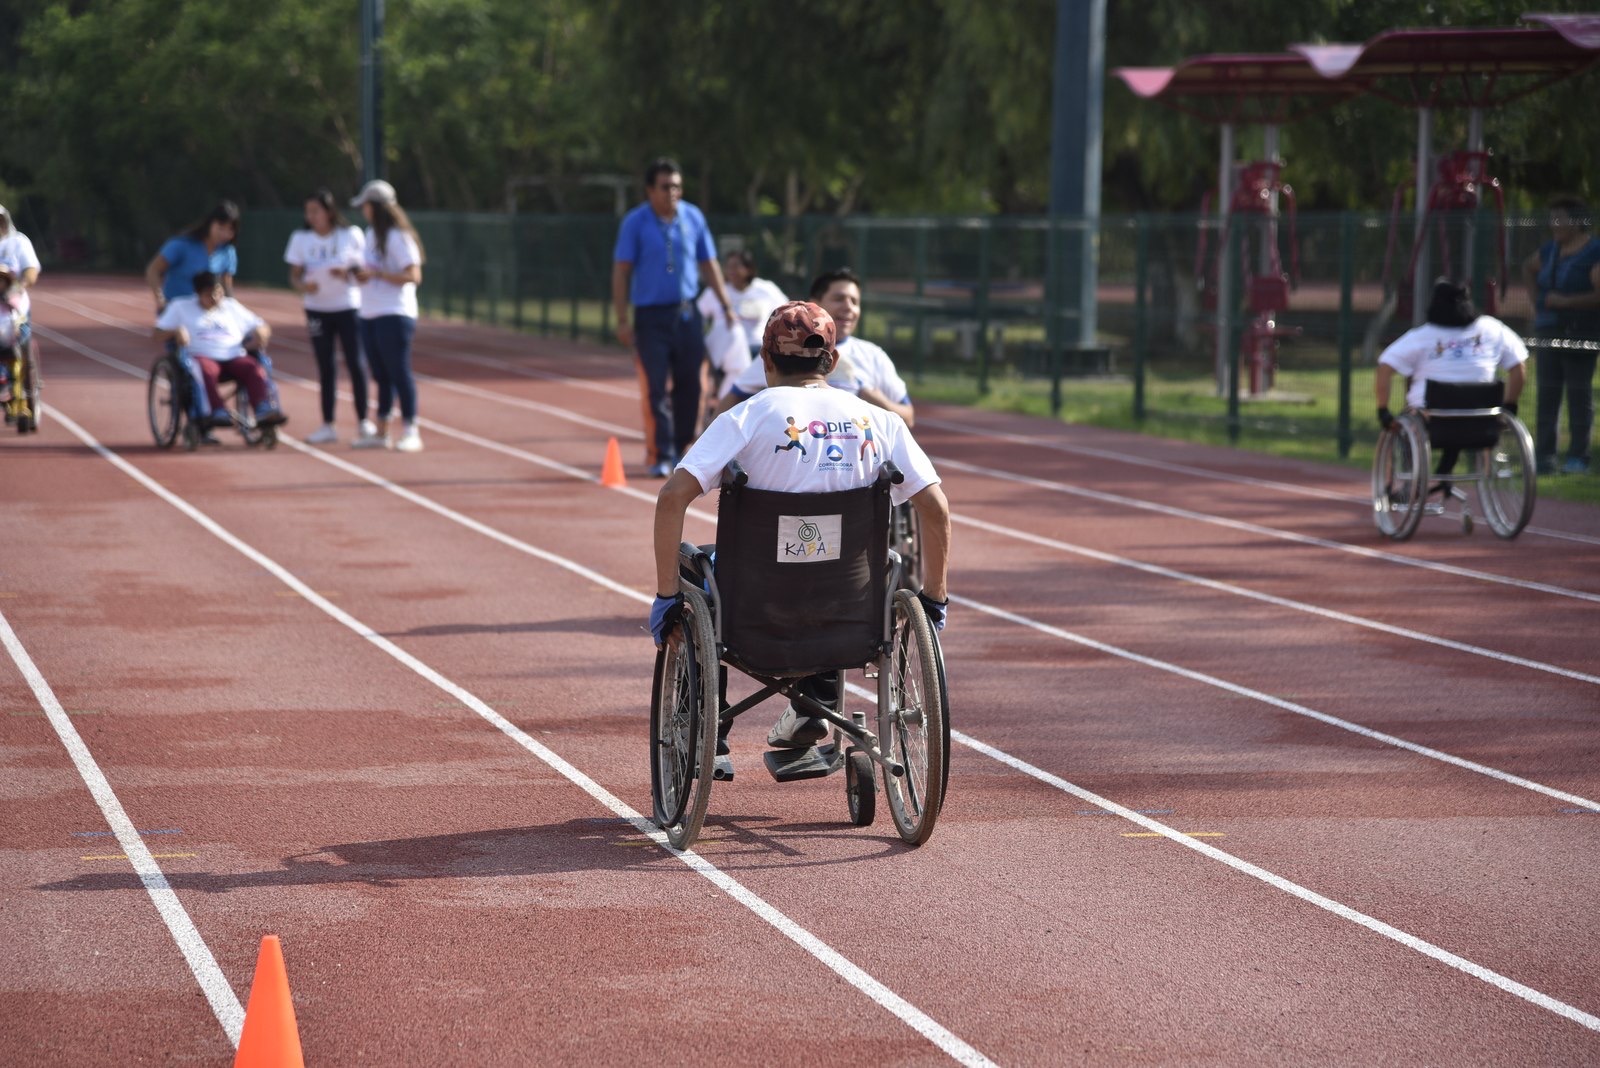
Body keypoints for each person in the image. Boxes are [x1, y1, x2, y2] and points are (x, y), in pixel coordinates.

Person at [651, 301, 950, 766]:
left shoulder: (746, 416)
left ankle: (706, 726)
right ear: (831, 361)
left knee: (696, 568)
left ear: (767, 360)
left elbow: (672, 499)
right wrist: (934, 599)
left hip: (753, 607)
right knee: (831, 558)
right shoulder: (882, 421)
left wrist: (667, 598)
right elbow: (935, 508)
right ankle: (816, 707)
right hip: (848, 607)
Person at [612, 157, 737, 477]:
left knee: (691, 386)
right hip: (651, 316)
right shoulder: (635, 222)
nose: (673, 192)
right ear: (650, 190)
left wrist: (725, 304)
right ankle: (659, 453)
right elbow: (622, 272)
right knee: (655, 386)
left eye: (678, 186)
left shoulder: (693, 217)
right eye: (666, 187)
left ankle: (682, 447)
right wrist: (622, 319)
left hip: (686, 313)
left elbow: (709, 263)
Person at [1375, 278, 1527, 489]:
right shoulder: (1492, 329)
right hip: (1482, 416)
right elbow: (1519, 367)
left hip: (1431, 417)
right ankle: (1446, 469)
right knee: (1459, 409)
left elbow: (1385, 366)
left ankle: (1400, 483)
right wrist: (1510, 406)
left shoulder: (1422, 336)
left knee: (1405, 420)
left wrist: (1383, 410)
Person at [716, 267, 914, 426]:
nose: (848, 307)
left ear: (833, 360)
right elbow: (734, 396)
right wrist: (707, 443)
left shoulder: (873, 356)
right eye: (839, 299)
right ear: (814, 304)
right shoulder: (786, 348)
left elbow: (908, 417)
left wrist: (873, 398)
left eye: (855, 301)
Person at [284, 188, 374, 446]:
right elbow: (294, 275)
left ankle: (363, 422)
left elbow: (362, 270)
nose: (311, 216)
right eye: (308, 211)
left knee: (356, 364)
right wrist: (304, 287)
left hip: (348, 307)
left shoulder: (351, 235)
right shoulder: (300, 238)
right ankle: (328, 424)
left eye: (316, 211)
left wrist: (345, 272)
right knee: (325, 366)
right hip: (316, 309)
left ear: (329, 211)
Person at [1522, 196, 1600, 474]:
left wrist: (1566, 302)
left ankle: (1578, 458)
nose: (1554, 224)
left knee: (1579, 394)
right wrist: (1538, 303)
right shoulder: (1549, 250)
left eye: (1560, 218)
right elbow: (1528, 269)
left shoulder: (1593, 252)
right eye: (1552, 217)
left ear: (1578, 222)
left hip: (1580, 330)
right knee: (1548, 392)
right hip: (1549, 328)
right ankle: (1545, 457)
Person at [153, 271, 286, 431]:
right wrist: (175, 331)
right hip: (201, 356)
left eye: (218, 293)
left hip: (233, 356)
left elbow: (260, 324)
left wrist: (261, 332)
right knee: (205, 370)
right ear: (198, 293)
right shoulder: (181, 306)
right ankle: (216, 410)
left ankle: (263, 408)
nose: (215, 298)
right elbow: (157, 334)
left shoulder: (230, 306)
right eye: (209, 294)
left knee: (254, 367)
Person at [349, 179, 425, 452]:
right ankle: (381, 431)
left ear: (377, 207)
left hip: (394, 312)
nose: (362, 211)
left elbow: (413, 275)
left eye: (366, 205)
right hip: (369, 311)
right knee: (380, 374)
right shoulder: (370, 234)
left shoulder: (398, 236)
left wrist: (378, 274)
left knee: (398, 371)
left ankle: (410, 429)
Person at [696, 250, 787, 413]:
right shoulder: (717, 291)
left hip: (757, 351)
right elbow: (698, 316)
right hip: (724, 353)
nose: (731, 271)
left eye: (736, 266)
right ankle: (723, 409)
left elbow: (786, 312)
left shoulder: (765, 289)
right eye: (728, 267)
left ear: (749, 269)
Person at [145, 200, 240, 317]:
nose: (225, 234)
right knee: (182, 336)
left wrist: (235, 312)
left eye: (230, 229)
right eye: (221, 227)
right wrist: (161, 300)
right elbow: (153, 270)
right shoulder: (181, 245)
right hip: (177, 312)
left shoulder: (228, 252)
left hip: (207, 315)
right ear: (210, 223)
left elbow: (227, 287)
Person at [0, 204, 42, 407]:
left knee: (15, 340)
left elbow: (31, 271)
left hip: (13, 306)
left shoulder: (18, 243)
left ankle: (13, 381)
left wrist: (18, 287)